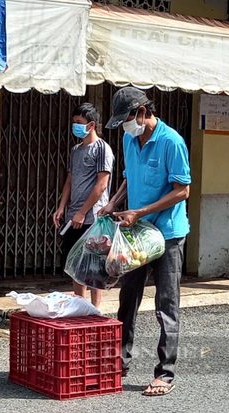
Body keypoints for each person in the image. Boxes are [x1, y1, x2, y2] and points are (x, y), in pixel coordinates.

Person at [99, 87, 191, 396]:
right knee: (128, 298)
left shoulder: (171, 142)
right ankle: (119, 362)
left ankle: (165, 374)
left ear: (142, 112)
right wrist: (114, 202)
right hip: (136, 233)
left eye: (127, 120)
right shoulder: (128, 138)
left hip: (167, 235)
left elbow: (182, 190)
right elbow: (129, 176)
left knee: (166, 304)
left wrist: (140, 211)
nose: (125, 127)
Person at [52, 103, 114, 308]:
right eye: (74, 123)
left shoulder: (102, 149)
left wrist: (83, 211)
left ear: (91, 124)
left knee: (95, 265)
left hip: (93, 218)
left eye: (79, 123)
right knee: (76, 264)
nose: (75, 127)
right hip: (74, 216)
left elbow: (102, 184)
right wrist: (62, 207)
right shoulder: (76, 150)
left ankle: (95, 310)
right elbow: (69, 181)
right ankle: (80, 307)